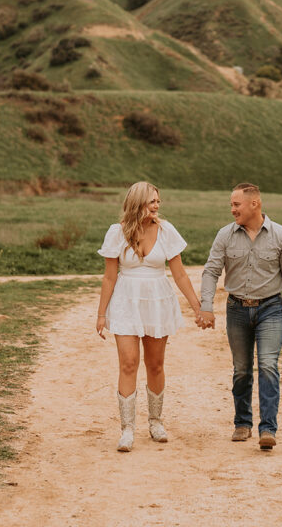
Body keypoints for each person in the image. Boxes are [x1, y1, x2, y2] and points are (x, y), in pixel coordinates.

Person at [96, 181, 202, 451]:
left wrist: (197, 307)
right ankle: (127, 429)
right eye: (151, 201)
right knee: (128, 363)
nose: (156, 206)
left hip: (157, 300)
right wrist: (101, 314)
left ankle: (155, 422)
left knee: (155, 364)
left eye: (158, 201)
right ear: (137, 203)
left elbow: (179, 273)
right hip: (126, 301)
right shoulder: (117, 233)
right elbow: (110, 277)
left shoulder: (166, 231)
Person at [198, 183, 282, 450]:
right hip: (237, 309)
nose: (232, 210)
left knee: (268, 365)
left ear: (254, 204)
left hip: (271, 309)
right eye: (231, 205)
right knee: (242, 370)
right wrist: (206, 306)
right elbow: (211, 272)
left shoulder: (281, 236)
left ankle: (268, 429)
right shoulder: (225, 235)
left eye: (236, 205)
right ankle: (242, 423)